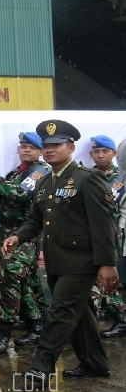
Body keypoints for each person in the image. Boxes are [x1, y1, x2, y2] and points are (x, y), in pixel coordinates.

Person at [3, 119, 118, 386]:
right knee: (80, 314)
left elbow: (103, 226)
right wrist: (17, 236)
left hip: (81, 263)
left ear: (71, 147)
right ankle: (95, 364)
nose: (50, 150)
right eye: (46, 146)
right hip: (56, 263)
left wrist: (106, 264)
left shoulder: (88, 178)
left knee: (60, 313)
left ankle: (40, 367)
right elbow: (36, 221)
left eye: (56, 145)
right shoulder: (44, 183)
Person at [0, 132, 49, 353]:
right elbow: (0, 204)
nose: (26, 150)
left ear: (40, 152)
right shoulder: (14, 172)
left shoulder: (40, 171)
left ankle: (4, 332)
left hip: (24, 233)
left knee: (8, 280)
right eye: (23, 146)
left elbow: (18, 194)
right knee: (21, 282)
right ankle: (36, 326)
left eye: (32, 147)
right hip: (6, 231)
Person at [86, 135, 126, 338]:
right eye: (96, 152)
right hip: (92, 232)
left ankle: (121, 318)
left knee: (107, 276)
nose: (100, 156)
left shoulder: (118, 177)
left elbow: (107, 201)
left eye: (105, 151)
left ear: (114, 153)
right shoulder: (90, 174)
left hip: (111, 233)